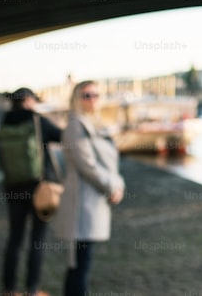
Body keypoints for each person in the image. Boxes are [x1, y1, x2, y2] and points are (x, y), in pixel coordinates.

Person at [54, 81, 125, 296]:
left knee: (82, 262)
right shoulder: (76, 126)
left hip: (90, 201)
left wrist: (115, 184)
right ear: (76, 98)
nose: (92, 99)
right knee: (79, 263)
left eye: (96, 94)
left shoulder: (90, 124)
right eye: (86, 95)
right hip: (81, 204)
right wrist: (112, 186)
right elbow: (87, 165)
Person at [0, 87, 62, 296]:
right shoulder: (37, 121)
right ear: (27, 100)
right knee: (37, 240)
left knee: (14, 239)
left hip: (13, 187)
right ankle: (32, 290)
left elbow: (0, 157)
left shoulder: (5, 122)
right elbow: (62, 136)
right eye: (34, 99)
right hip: (39, 188)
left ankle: (9, 290)